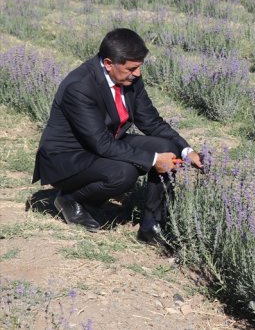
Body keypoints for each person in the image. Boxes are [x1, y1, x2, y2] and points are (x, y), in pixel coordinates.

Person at [32, 28, 203, 244]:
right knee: (124, 172)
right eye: (131, 68)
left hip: (103, 143)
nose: (138, 74)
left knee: (166, 145)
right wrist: (153, 160)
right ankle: (69, 198)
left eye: (139, 67)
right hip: (67, 156)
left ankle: (151, 227)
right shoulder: (80, 86)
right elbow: (101, 144)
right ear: (108, 64)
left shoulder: (130, 79)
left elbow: (151, 121)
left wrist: (187, 151)